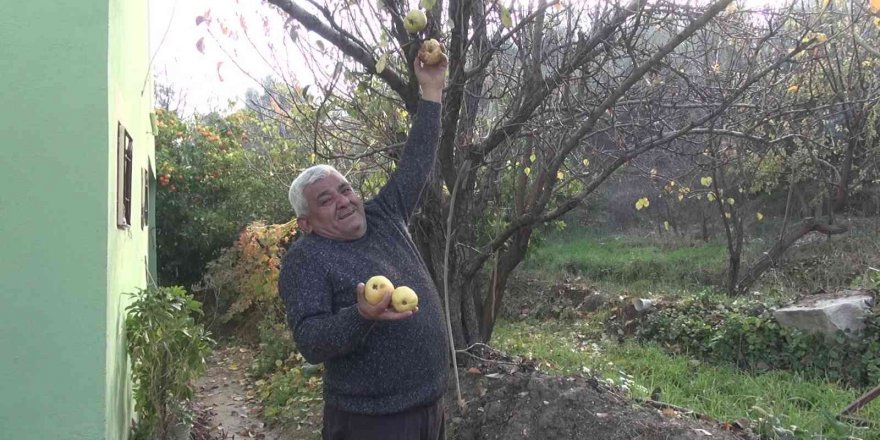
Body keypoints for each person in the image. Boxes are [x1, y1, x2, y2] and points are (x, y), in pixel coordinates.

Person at [278, 55, 449, 440]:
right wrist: (362, 315)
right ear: (307, 223)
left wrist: (432, 90)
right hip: (371, 422)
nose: (342, 201)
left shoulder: (384, 215)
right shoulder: (306, 259)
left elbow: (417, 161)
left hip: (429, 406)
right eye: (325, 200)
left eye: (345, 189)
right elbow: (311, 342)